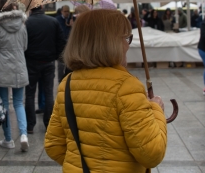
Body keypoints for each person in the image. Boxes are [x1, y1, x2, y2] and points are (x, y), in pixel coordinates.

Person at [44, 9, 167, 172]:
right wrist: (155, 108)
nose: (127, 45)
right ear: (111, 42)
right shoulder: (127, 87)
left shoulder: (67, 84)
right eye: (126, 38)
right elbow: (152, 154)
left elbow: (53, 146)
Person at [0, 0, 29, 151]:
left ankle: (8, 139)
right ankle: (24, 135)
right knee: (18, 103)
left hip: (2, 67)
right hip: (20, 66)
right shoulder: (22, 23)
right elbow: (25, 46)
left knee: (4, 104)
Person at [24, 5, 66, 135]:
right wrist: (56, 56)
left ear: (31, 9)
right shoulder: (52, 21)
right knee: (49, 93)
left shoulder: (26, 22)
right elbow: (61, 41)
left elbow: (23, 43)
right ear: (42, 7)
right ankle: (48, 123)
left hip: (31, 61)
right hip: (48, 62)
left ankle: (30, 125)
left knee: (30, 94)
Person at [55, 5, 73, 83]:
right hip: (61, 46)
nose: (67, 13)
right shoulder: (58, 20)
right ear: (62, 11)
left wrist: (71, 25)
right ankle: (60, 82)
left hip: (69, 46)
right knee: (61, 67)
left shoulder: (71, 20)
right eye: (65, 11)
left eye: (68, 11)